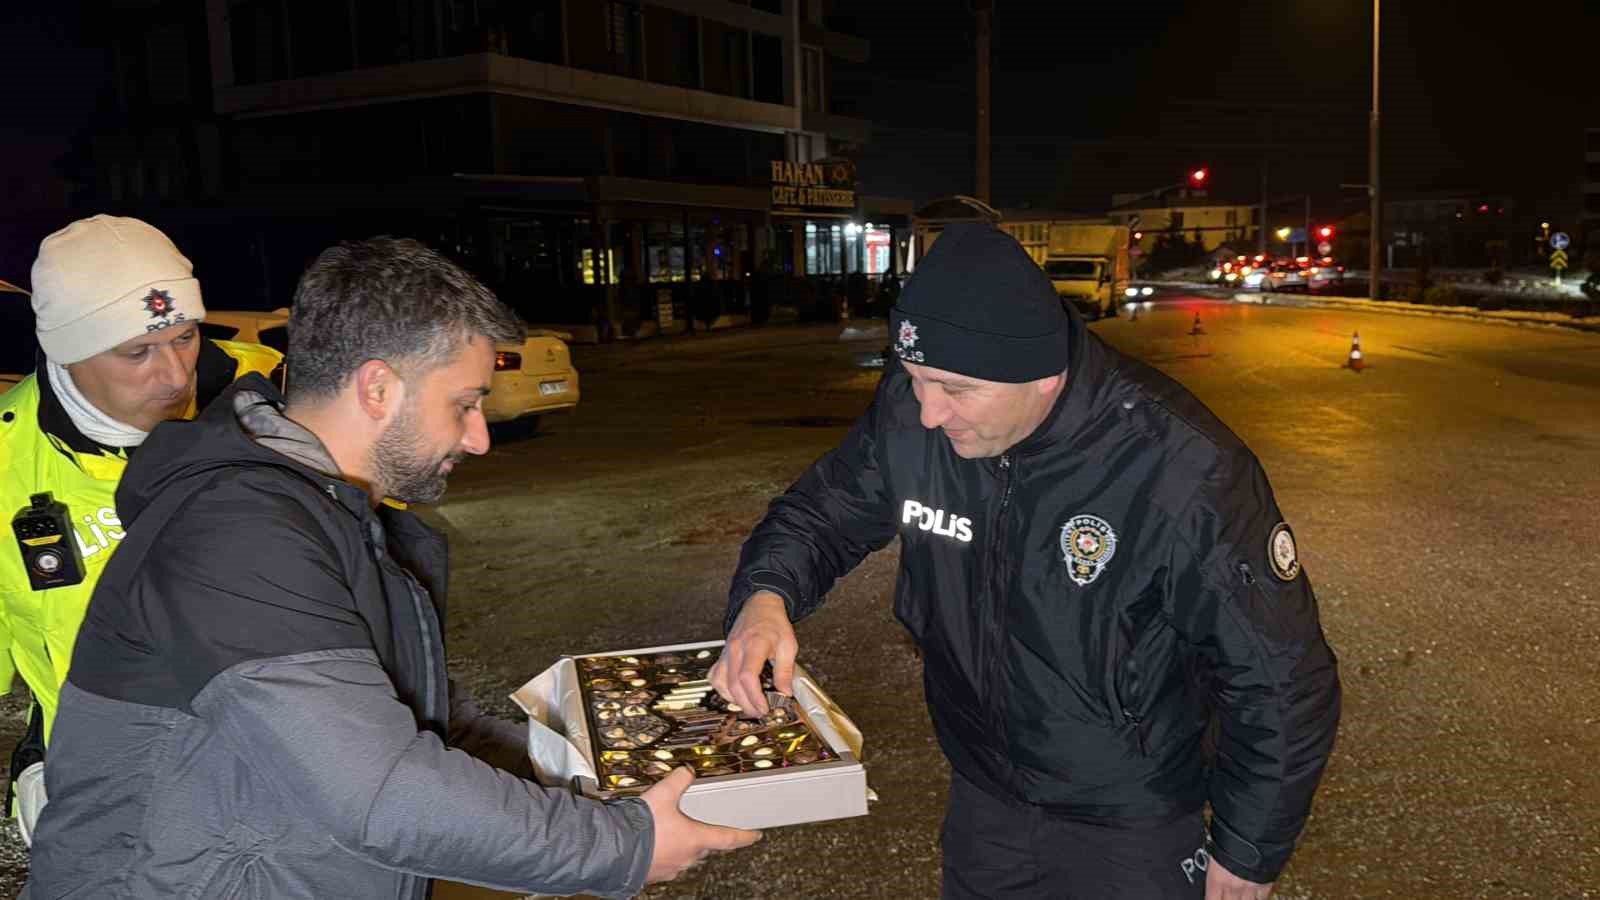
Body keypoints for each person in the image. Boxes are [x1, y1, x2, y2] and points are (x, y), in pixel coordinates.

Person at [25, 237, 759, 898]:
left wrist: (586, 769)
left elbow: (419, 723)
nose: (478, 440)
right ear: (377, 389)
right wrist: (622, 847)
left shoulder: (333, 512)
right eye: (464, 404)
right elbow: (379, 792)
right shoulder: (236, 531)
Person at [710, 223, 1341, 900]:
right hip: (986, 798)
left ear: (1042, 376)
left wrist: (1247, 852)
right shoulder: (911, 413)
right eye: (914, 376)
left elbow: (1279, 678)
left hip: (1133, 823)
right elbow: (821, 512)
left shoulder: (1180, 469)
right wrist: (765, 598)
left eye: (953, 388)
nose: (927, 412)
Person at [0, 215, 283, 844]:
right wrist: (41, 756)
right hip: (113, 782)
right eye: (138, 352)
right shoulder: (4, 468)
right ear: (66, 352)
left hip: (278, 757)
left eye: (185, 338)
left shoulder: (273, 404)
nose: (176, 375)